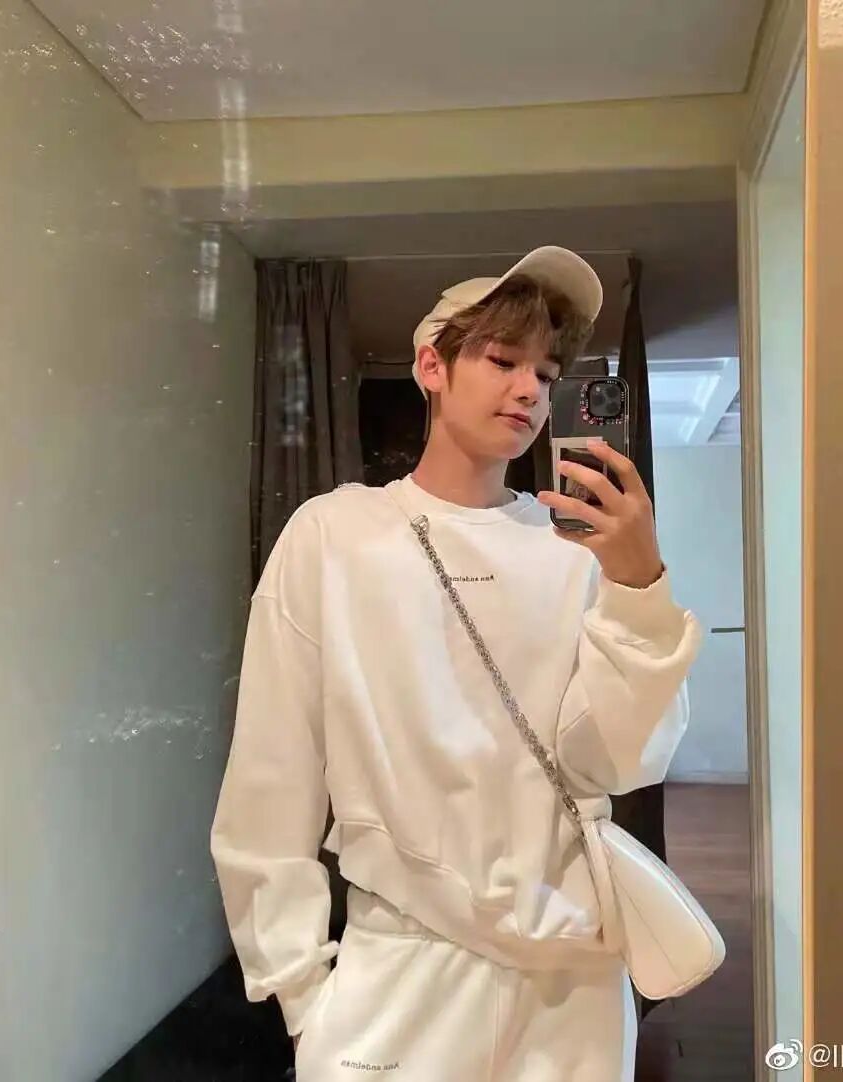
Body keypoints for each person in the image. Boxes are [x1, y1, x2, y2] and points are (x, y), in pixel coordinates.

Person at [209, 246, 703, 1081]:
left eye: (547, 373)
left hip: (571, 986)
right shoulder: (336, 536)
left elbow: (621, 762)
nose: (529, 390)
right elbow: (272, 773)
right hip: (400, 973)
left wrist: (639, 587)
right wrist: (301, 995)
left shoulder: (575, 556)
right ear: (431, 366)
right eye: (503, 360)